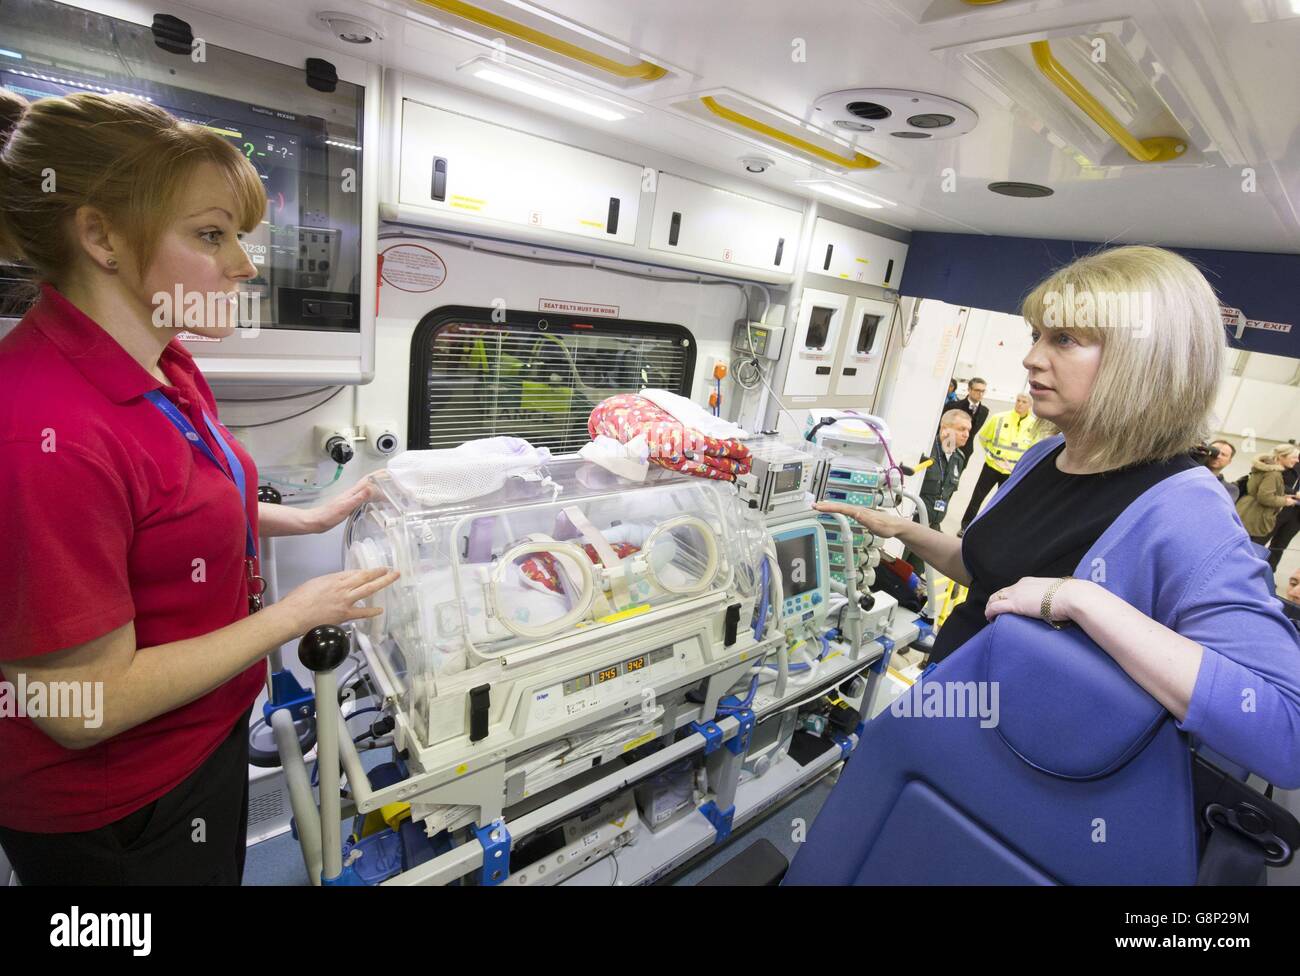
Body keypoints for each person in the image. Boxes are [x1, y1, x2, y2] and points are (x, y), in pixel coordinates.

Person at [0, 90, 399, 885]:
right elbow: (84, 706)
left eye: (239, 237)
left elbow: (169, 513)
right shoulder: (43, 429)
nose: (245, 266)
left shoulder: (166, 364)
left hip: (199, 735)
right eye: (211, 236)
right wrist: (293, 615)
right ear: (101, 236)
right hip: (119, 806)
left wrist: (313, 517)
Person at [818, 244, 1300, 788]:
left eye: (1065, 339)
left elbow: (1285, 730)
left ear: (1145, 361)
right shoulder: (1045, 456)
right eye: (1037, 336)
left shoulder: (1187, 511)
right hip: (947, 717)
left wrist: (1079, 599)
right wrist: (904, 530)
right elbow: (996, 579)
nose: (1031, 358)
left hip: (1027, 774)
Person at [958, 392, 1040, 532]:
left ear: (1030, 405)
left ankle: (994, 530)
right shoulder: (999, 418)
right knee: (977, 498)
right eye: (1018, 400)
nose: (1020, 404)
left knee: (1004, 503)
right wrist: (992, 455)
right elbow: (983, 438)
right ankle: (965, 526)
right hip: (991, 466)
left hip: (1012, 471)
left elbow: (1034, 448)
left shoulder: (1034, 425)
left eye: (1024, 402)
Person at [904, 408, 970, 574]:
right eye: (962, 429)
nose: (967, 434)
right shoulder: (926, 453)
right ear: (945, 428)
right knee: (898, 569)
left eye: (968, 430)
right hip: (912, 525)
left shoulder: (958, 459)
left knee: (916, 574)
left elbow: (948, 494)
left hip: (932, 528)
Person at [1236, 444, 1300, 547]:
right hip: (1255, 515)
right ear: (1281, 456)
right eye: (1294, 457)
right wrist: (1285, 501)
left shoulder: (1267, 469)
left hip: (1248, 510)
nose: (1297, 460)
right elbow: (1265, 497)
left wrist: (1283, 497)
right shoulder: (1273, 474)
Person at [949, 376, 988, 468]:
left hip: (966, 451)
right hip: (949, 446)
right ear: (969, 390)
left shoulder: (984, 411)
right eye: (977, 390)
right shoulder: (953, 406)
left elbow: (973, 432)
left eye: (983, 391)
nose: (980, 394)